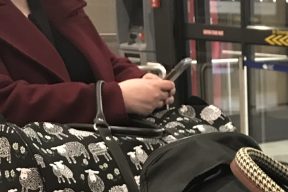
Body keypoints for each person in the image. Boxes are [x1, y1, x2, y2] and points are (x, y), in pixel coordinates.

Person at [0, 0, 175, 125]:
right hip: (38, 163)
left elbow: (105, 60)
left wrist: (142, 79)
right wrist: (111, 99)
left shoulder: (59, 5)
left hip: (105, 148)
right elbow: (8, 100)